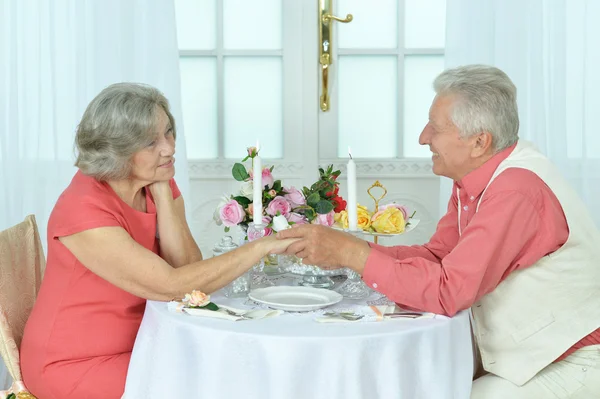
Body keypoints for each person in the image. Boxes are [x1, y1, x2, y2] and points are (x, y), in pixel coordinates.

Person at [277, 65, 600, 398]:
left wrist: (350, 254)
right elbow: (440, 256)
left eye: (435, 127)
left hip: (570, 363)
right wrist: (350, 248)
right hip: (530, 359)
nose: (423, 137)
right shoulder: (478, 179)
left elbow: (449, 291)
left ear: (479, 141)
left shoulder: (513, 190)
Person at [20, 83, 297, 399]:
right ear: (117, 151)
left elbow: (189, 269)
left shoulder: (152, 179)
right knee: (211, 384)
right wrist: (262, 246)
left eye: (168, 132)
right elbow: (174, 285)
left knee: (234, 368)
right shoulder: (83, 209)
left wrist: (163, 190)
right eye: (151, 142)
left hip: (143, 344)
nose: (169, 148)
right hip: (74, 364)